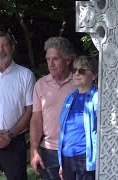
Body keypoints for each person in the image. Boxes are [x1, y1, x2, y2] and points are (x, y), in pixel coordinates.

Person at [0, 31, 36, 180]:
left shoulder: (25, 75)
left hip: (14, 142)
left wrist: (10, 134)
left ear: (12, 47)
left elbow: (30, 109)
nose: (1, 50)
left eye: (5, 45)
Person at [30, 37, 76, 179]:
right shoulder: (41, 85)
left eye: (55, 59)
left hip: (75, 149)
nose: (51, 64)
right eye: (48, 59)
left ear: (68, 60)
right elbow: (36, 120)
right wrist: (34, 150)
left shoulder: (79, 82)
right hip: (49, 150)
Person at [57, 55, 98, 180]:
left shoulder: (98, 98)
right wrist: (61, 164)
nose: (76, 74)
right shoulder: (70, 97)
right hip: (67, 157)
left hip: (85, 157)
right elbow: (64, 130)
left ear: (94, 75)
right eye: (74, 70)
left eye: (82, 71)